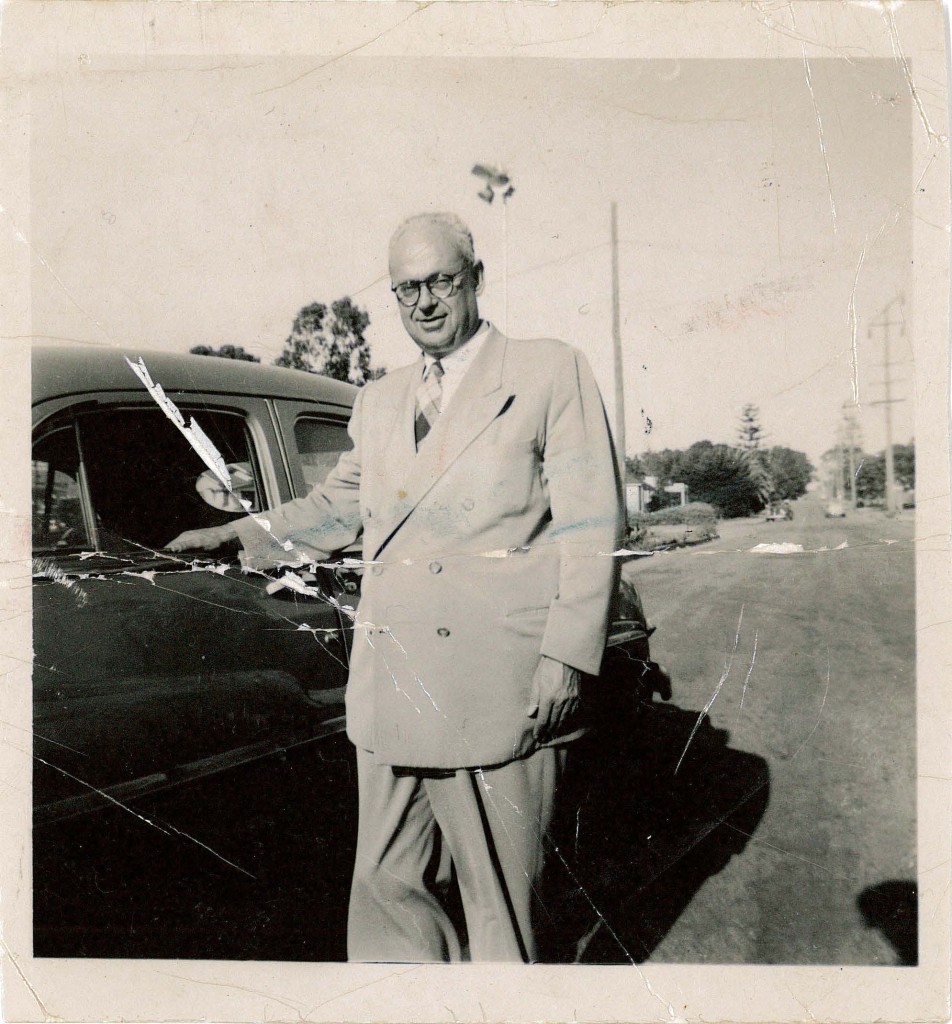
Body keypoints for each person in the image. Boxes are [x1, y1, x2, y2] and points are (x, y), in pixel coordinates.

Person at [167, 212, 623, 962]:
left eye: (440, 281)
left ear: (475, 279)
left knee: (501, 912)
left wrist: (566, 658)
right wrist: (239, 535)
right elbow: (336, 507)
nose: (424, 302)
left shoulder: (546, 371)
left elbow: (591, 526)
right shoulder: (380, 399)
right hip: (393, 689)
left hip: (495, 684)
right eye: (406, 288)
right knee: (385, 896)